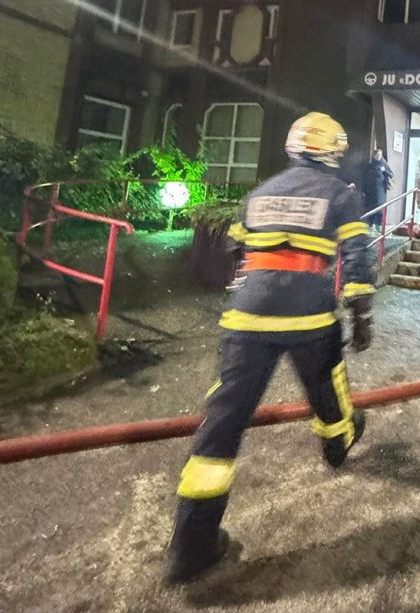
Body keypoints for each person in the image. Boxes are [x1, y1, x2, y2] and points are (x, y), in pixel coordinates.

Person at [165, 112, 375, 583]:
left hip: (247, 319)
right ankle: (338, 443)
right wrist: (361, 313)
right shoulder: (340, 195)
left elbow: (235, 249)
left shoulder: (260, 193)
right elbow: (357, 256)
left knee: (222, 423)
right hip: (309, 317)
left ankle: (190, 546)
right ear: (333, 152)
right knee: (328, 387)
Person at [363, 147, 394, 230]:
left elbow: (391, 174)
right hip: (370, 191)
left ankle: (379, 225)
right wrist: (364, 189)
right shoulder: (370, 166)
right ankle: (371, 224)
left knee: (379, 207)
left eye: (379, 155)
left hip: (380, 191)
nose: (378, 156)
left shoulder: (383, 164)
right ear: (373, 156)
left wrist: (384, 171)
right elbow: (365, 178)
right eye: (376, 155)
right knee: (371, 207)